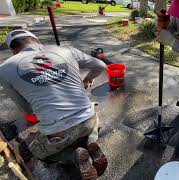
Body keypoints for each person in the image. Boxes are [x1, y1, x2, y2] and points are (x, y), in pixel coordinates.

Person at [0, 30, 109, 180]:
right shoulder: (66, 50)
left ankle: (73, 156)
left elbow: (27, 109)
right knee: (92, 124)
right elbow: (101, 65)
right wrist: (86, 80)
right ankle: (91, 141)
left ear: (13, 50)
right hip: (88, 117)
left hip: (58, 131)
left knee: (37, 152)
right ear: (37, 41)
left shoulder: (5, 69)